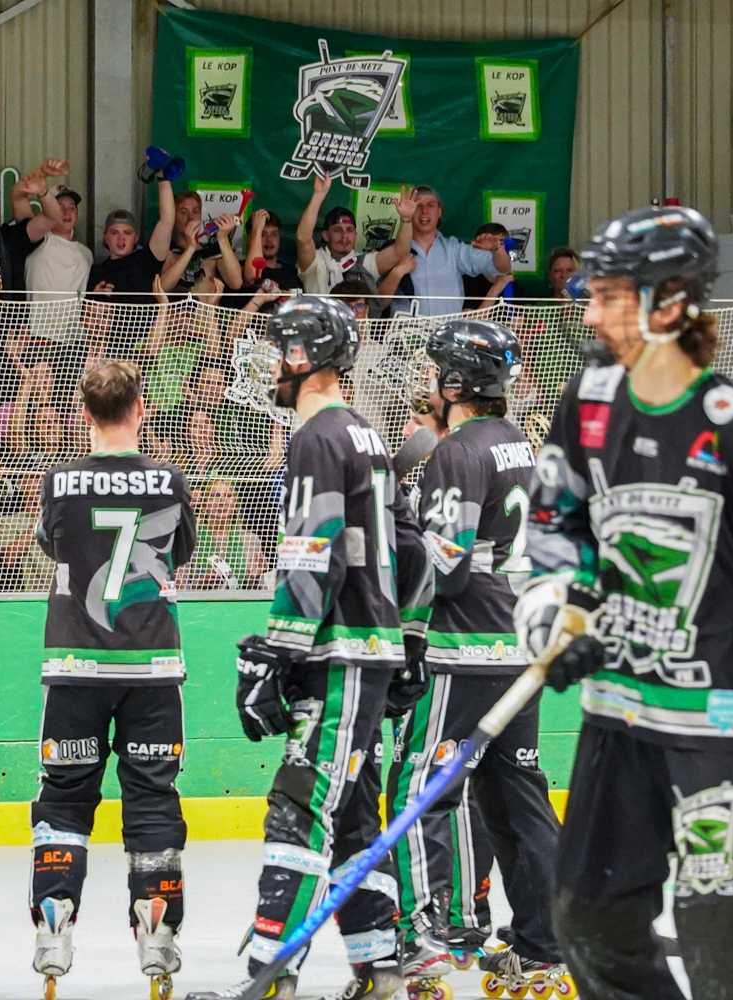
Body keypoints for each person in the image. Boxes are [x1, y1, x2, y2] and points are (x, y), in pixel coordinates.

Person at [513, 205, 733, 999]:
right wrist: (551, 609)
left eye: (608, 294)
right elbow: (552, 525)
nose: (590, 310)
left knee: (719, 930)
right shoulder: (591, 399)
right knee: (587, 919)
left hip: (723, 721)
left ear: (668, 304)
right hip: (618, 711)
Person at [186, 296, 426, 1000]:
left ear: (303, 357)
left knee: (302, 801)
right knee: (353, 813)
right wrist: (405, 640)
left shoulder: (318, 438)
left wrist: (279, 649)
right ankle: (377, 966)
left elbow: (311, 551)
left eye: (277, 348)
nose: (267, 362)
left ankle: (270, 973)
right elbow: (413, 553)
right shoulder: (372, 438)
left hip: (339, 654)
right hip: (369, 652)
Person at [387, 318, 563, 990]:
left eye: (434, 371)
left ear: (455, 382)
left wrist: (397, 514)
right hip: (519, 648)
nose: (427, 380)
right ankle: (543, 948)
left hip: (464, 651)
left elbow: (448, 568)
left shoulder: (460, 452)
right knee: (515, 797)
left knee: (421, 792)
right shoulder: (522, 443)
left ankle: (437, 933)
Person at [29, 360, 197, 996]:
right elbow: (179, 550)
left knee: (66, 796)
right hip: (153, 664)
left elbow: (54, 543)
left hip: (74, 663)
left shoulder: (59, 481)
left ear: (84, 411)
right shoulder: (170, 480)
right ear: (141, 408)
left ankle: (54, 918)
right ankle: (156, 926)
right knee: (152, 795)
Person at [296, 176, 414, 296]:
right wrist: (318, 195)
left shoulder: (364, 262)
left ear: (356, 235)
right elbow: (303, 238)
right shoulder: (316, 262)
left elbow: (400, 251)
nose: (344, 236)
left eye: (349, 230)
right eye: (337, 230)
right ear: (326, 235)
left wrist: (406, 219)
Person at [407, 187, 511, 316]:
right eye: (418, 206)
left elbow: (502, 268)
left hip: (446, 333)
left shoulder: (454, 249)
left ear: (439, 212)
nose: (424, 211)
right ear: (408, 212)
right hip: (405, 333)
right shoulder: (396, 251)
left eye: (430, 205)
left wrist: (497, 249)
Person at [87, 177, 182, 303]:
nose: (121, 238)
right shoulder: (95, 272)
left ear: (136, 237)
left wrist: (162, 176)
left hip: (149, 323)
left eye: (127, 233)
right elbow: (84, 314)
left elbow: (167, 221)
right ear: (105, 237)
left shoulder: (146, 260)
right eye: (114, 232)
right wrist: (94, 297)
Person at [24, 181, 93, 296]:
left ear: (77, 216)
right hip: (39, 314)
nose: (67, 212)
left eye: (72, 208)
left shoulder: (86, 254)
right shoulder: (36, 240)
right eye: (60, 207)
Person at [242, 208, 303, 293]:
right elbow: (252, 276)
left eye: (274, 234)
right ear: (249, 238)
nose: (269, 239)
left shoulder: (291, 272)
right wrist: (257, 230)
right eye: (262, 234)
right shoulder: (241, 269)